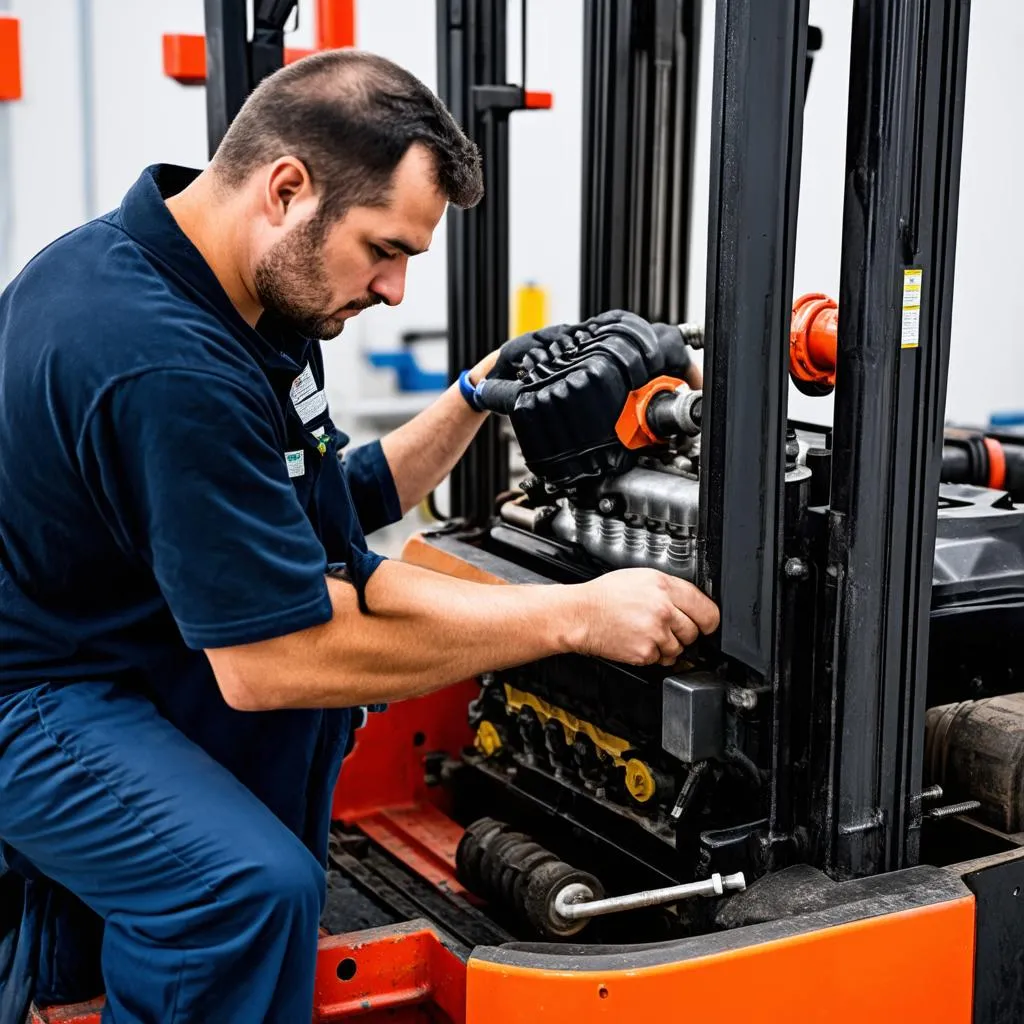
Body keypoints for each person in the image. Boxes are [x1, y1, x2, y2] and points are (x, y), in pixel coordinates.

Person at [0, 49, 719, 1023]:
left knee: (288, 754)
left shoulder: (244, 297)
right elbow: (274, 660)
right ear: (287, 188)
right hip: (37, 694)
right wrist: (570, 622)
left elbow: (332, 519)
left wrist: (476, 395)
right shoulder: (163, 362)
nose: (392, 290)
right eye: (386, 250)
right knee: (240, 890)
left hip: (111, 637)